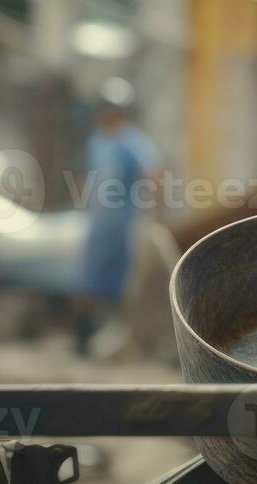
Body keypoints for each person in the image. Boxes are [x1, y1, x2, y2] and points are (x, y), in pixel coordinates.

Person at [70, 76, 158, 358]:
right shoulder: (96, 141)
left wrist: (154, 215)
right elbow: (88, 178)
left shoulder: (132, 143)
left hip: (121, 227)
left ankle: (123, 341)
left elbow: (154, 176)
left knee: (123, 286)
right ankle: (82, 339)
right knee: (87, 283)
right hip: (98, 226)